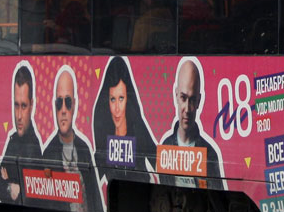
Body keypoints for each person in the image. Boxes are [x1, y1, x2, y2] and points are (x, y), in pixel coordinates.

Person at [40, 66, 103, 212]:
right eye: (59, 103)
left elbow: (95, 198)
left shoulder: (84, 148)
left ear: (74, 105)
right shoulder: (49, 151)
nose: (63, 110)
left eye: (67, 102)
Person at [159, 57, 224, 190]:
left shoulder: (210, 154)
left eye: (192, 100)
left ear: (199, 101)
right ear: (176, 96)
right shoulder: (165, 146)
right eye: (183, 98)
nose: (187, 109)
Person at [91, 56, 157, 177]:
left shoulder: (140, 132)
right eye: (112, 99)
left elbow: (159, 163)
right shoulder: (103, 142)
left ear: (128, 99)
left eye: (121, 98)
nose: (117, 109)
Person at [0, 63, 43, 204]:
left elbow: (32, 194)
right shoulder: (13, 140)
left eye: (24, 106)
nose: (19, 116)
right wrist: (12, 187)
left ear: (32, 105)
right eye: (16, 105)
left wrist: (8, 181)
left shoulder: (35, 146)